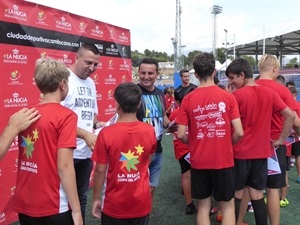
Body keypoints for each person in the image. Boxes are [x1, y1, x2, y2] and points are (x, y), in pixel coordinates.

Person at [12, 58, 82, 225]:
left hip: (24, 202)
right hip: (53, 204)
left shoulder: (25, 115)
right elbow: (64, 166)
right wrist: (77, 210)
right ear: (63, 84)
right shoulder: (66, 116)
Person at [176, 52, 244, 225]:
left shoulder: (188, 99)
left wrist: (194, 143)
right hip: (223, 160)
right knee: (228, 207)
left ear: (196, 74)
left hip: (199, 161)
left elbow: (181, 134)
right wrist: (227, 144)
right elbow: (239, 132)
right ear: (214, 71)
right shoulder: (228, 97)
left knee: (204, 206)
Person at [225, 58, 294, 225]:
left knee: (236, 194)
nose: (231, 82)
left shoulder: (237, 96)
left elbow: (230, 127)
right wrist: (281, 139)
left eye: (233, 78)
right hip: (261, 154)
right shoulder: (269, 93)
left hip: (240, 153)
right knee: (257, 194)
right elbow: (291, 116)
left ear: (242, 75)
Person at [91, 82, 157, 225]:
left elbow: (100, 170)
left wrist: (96, 198)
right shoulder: (150, 130)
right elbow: (147, 160)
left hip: (114, 204)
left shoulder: (105, 134)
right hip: (141, 201)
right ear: (139, 104)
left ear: (116, 105)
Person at [256, 54, 300, 225]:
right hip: (274, 145)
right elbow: (294, 119)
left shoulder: (247, 87)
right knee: (273, 190)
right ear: (275, 69)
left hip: (251, 145)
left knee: (248, 189)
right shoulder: (281, 90)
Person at [61, 43, 100, 223]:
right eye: (88, 62)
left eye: (95, 64)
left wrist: (101, 125)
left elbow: (92, 117)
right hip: (65, 153)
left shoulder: (91, 83)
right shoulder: (63, 80)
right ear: (76, 58)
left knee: (82, 197)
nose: (91, 68)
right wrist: (85, 134)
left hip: (85, 153)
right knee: (61, 201)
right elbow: (56, 121)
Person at [136, 58, 172, 197]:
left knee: (151, 189)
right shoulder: (133, 92)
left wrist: (169, 124)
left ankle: (145, 218)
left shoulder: (159, 93)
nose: (146, 76)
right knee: (137, 189)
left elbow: (162, 116)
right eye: (143, 73)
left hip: (157, 149)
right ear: (138, 72)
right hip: (138, 151)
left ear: (157, 74)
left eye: (150, 73)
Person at [169, 87, 196, 215]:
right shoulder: (195, 110)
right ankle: (194, 203)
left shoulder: (176, 112)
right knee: (191, 174)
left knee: (186, 174)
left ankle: (189, 204)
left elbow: (173, 130)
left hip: (182, 148)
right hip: (190, 147)